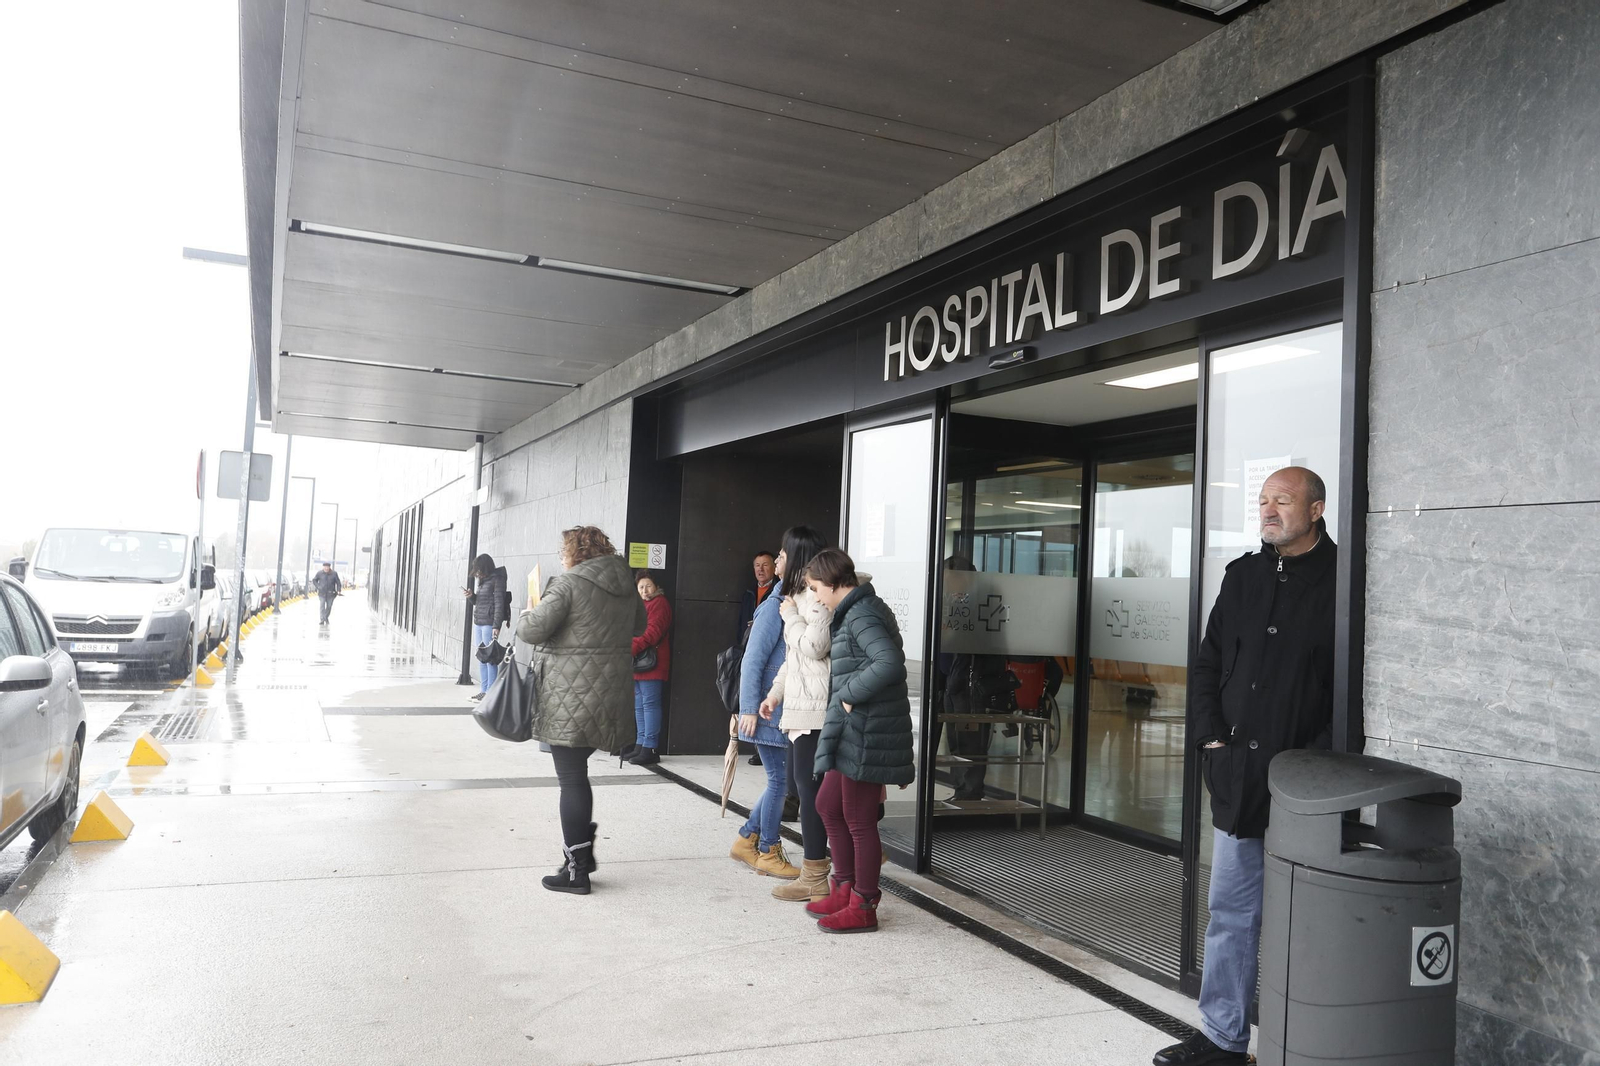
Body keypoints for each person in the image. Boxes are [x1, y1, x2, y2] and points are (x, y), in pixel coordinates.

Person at [1153, 467, 1336, 1066]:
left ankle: (1309, 1042)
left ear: (1316, 509)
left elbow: (1348, 689)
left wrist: (1317, 765)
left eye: (1283, 500)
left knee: (1305, 921)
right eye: (1263, 501)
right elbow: (1208, 663)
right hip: (1237, 775)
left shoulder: (1342, 580)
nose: (1269, 510)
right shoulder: (1242, 576)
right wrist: (1210, 739)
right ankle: (1223, 1039)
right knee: (1231, 912)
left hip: (1304, 785)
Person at [515, 525, 647, 896]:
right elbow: (640, 625)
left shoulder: (567, 584)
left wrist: (528, 612)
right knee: (578, 775)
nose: (561, 558)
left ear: (575, 552)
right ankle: (580, 858)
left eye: (564, 552)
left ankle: (576, 871)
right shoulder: (625, 584)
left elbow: (532, 630)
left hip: (571, 697)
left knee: (571, 779)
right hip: (610, 696)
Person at [805, 548, 913, 934]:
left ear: (833, 582)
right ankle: (845, 887)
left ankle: (863, 905)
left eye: (816, 588)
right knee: (827, 805)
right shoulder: (856, 610)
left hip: (868, 731)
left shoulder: (862, 613)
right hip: (856, 731)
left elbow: (888, 662)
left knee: (858, 818)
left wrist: (849, 694)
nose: (816, 597)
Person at [729, 528, 824, 882]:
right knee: (779, 782)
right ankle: (768, 849)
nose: (776, 560)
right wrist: (749, 709)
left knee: (780, 781)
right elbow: (752, 660)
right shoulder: (775, 605)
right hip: (770, 709)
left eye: (782, 555)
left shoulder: (795, 602)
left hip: (781, 708)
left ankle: (746, 839)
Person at [754, 526, 831, 902]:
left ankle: (817, 875)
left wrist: (791, 617)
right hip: (800, 707)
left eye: (782, 554)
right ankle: (823, 870)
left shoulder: (813, 598)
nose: (777, 559)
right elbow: (794, 659)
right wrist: (774, 694)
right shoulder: (796, 597)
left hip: (816, 709)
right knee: (804, 787)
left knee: (810, 789)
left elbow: (815, 646)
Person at [625, 570, 672, 766]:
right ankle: (640, 744)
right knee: (639, 705)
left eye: (648, 586)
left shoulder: (659, 603)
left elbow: (652, 632)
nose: (645, 590)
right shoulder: (639, 605)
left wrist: (630, 648)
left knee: (650, 704)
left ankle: (650, 747)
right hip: (638, 663)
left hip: (652, 662)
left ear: (656, 587)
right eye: (641, 587)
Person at [738, 550, 780, 766]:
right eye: (757, 565)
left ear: (775, 567)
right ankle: (758, 747)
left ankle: (762, 745)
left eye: (765, 564)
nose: (760, 569)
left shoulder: (777, 597)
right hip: (749, 647)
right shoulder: (749, 593)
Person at [463, 553, 509, 702]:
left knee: (490, 658)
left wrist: (497, 625)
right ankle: (483, 691)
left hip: (489, 623)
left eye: (478, 569)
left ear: (485, 567)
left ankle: (490, 693)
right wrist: (471, 597)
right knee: (482, 657)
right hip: (479, 622)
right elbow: (480, 602)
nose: (477, 573)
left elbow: (499, 603)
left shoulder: (498, 579)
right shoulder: (483, 580)